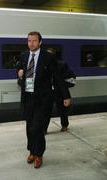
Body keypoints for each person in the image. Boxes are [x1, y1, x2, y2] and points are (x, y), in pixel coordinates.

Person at [17, 31, 71, 168]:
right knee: (29, 128)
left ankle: (39, 154)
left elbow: (58, 77)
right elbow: (19, 68)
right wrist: (19, 72)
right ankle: (32, 151)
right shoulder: (24, 55)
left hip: (42, 99)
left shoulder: (48, 57)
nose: (31, 43)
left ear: (40, 42)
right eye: (29, 41)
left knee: (37, 128)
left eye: (34, 41)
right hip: (27, 97)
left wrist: (66, 96)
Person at [44, 48, 72, 134]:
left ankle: (64, 125)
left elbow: (64, 80)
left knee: (62, 110)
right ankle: (44, 129)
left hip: (59, 91)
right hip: (47, 92)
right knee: (46, 111)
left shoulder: (61, 64)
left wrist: (66, 96)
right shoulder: (43, 65)